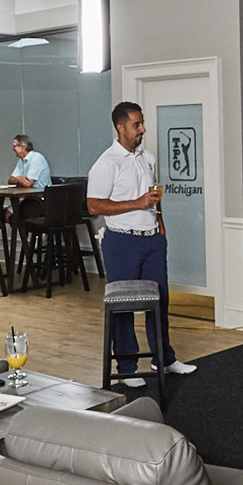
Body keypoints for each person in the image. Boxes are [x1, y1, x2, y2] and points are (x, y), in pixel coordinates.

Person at [87, 102, 197, 386]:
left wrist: (160, 226)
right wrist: (137, 203)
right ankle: (127, 369)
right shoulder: (106, 163)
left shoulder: (147, 158)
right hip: (122, 241)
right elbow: (93, 206)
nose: (143, 129)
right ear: (121, 127)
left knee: (159, 301)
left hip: (152, 241)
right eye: (136, 124)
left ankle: (164, 359)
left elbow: (152, 197)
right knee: (123, 306)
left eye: (142, 123)